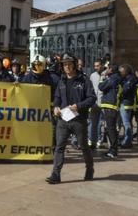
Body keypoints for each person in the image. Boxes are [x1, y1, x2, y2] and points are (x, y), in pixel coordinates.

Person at [46, 54, 96, 184]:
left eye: (69, 64)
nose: (67, 66)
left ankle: (90, 169)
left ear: (74, 64)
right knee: (59, 147)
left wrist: (78, 106)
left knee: (84, 147)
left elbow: (92, 98)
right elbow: (57, 97)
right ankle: (55, 175)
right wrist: (56, 107)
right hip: (63, 120)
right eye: (64, 64)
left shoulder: (84, 81)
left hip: (79, 120)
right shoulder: (61, 81)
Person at [97, 63, 122, 160]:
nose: (105, 69)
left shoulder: (113, 78)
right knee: (110, 129)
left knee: (111, 129)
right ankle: (112, 149)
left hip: (110, 107)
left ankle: (113, 151)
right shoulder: (114, 78)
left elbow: (101, 87)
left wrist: (102, 77)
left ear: (111, 70)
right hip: (110, 106)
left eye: (107, 68)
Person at [117, 64, 137, 148]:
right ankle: (127, 139)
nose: (120, 72)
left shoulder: (130, 79)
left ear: (126, 71)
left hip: (126, 103)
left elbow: (125, 89)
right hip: (127, 103)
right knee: (126, 123)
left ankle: (127, 142)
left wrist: (119, 92)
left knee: (126, 123)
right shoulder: (127, 78)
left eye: (121, 71)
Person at [88, 60, 104, 149]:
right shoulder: (92, 76)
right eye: (95, 66)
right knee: (92, 122)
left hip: (103, 102)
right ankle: (91, 140)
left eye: (97, 66)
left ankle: (99, 140)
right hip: (94, 103)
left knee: (100, 123)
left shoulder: (105, 74)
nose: (96, 67)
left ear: (101, 66)